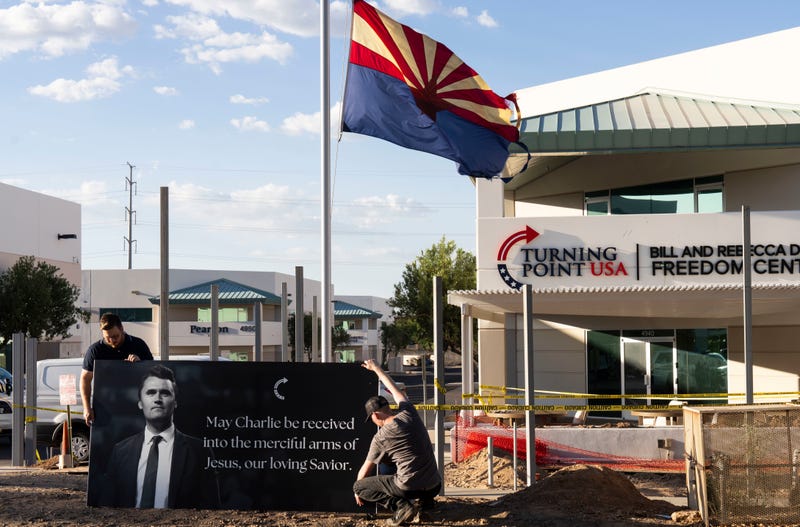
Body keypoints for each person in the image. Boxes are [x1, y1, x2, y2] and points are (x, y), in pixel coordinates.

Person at [98, 364, 221, 509]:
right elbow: (106, 506)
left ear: (175, 402)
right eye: (150, 392)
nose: (157, 399)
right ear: (140, 403)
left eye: (165, 393)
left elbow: (212, 508)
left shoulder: (199, 451)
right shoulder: (120, 451)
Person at [354, 359, 441, 526]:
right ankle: (426, 504)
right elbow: (395, 390)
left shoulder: (380, 437)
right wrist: (376, 368)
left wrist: (358, 491)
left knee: (360, 486)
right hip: (434, 485)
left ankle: (402, 507)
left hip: (409, 487)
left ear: (376, 416)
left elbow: (364, 472)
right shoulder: (409, 413)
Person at [81, 312, 153, 425]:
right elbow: (85, 379)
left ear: (122, 329)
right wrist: (86, 407)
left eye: (115, 336)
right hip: (105, 408)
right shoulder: (95, 350)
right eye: (107, 338)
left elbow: (154, 373)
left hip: (136, 406)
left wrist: (141, 364)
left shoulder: (138, 345)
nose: (112, 341)